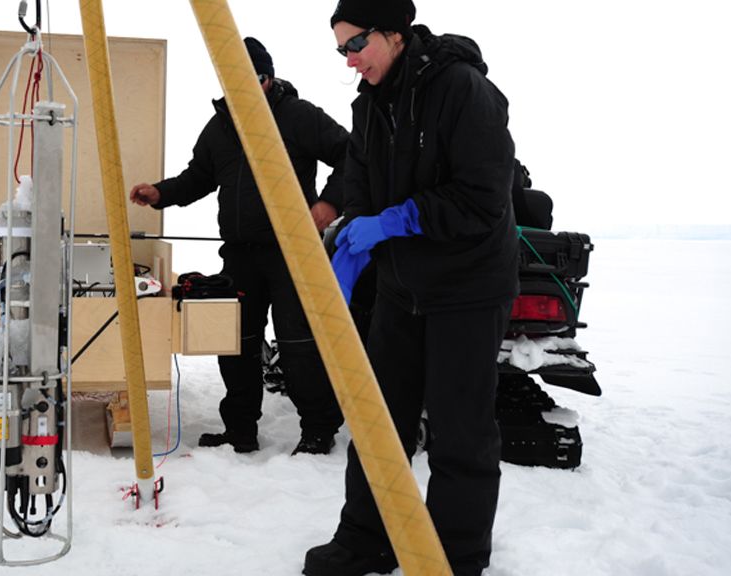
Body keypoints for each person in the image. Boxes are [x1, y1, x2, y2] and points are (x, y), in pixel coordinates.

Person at [304, 2, 519, 575]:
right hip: (403, 289)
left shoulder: (464, 91)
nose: (349, 61)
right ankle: (366, 537)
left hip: (468, 288)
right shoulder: (368, 106)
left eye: (356, 45)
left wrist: (394, 221)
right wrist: (353, 235)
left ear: (394, 35)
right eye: (341, 50)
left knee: (459, 431)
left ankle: (456, 556)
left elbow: (481, 198)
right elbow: (358, 185)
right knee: (378, 421)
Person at [129, 37, 349, 455]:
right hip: (240, 252)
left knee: (298, 343)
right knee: (236, 342)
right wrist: (160, 193)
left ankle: (319, 428)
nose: (251, 87)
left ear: (268, 78)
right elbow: (198, 177)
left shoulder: (300, 116)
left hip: (294, 253)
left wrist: (329, 202)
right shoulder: (219, 128)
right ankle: (240, 430)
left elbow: (352, 155)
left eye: (259, 77)